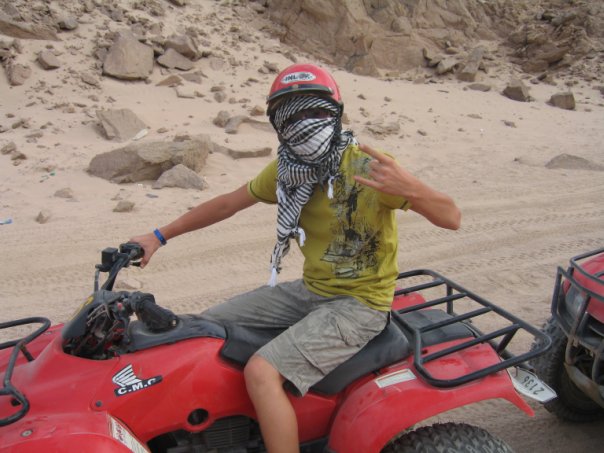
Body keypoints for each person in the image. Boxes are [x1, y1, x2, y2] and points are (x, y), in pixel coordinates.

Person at [130, 63, 461, 453]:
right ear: (279, 124)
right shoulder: (289, 170)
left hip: (360, 304)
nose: (304, 123)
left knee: (262, 371)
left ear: (335, 113)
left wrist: (412, 188)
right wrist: (158, 236)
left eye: (315, 111)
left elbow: (451, 218)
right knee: (203, 330)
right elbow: (227, 204)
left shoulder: (366, 168)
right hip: (312, 291)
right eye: (292, 115)